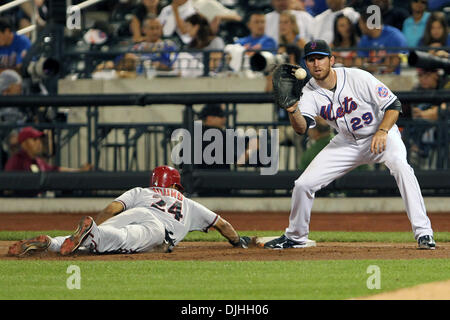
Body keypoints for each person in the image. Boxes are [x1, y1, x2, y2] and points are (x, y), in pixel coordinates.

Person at [265, 39, 435, 250]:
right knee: (303, 185)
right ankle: (296, 236)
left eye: (320, 58)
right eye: (311, 60)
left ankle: (424, 233)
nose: (316, 63)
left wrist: (382, 131)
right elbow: (301, 128)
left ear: (332, 60)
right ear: (306, 64)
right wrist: (292, 109)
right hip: (346, 142)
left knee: (401, 167)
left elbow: (393, 105)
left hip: (381, 134)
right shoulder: (308, 92)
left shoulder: (357, 77)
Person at [8, 165, 251, 256]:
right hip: (158, 228)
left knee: (108, 232)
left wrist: (101, 223)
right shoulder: (187, 202)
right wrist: (237, 241)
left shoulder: (142, 191)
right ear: (176, 185)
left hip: (133, 213)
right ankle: (93, 233)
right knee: (123, 240)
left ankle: (51, 242)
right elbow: (224, 226)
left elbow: (112, 208)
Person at [4, 126, 93, 173]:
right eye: (34, 140)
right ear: (24, 144)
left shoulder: (38, 161)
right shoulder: (16, 160)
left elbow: (56, 170)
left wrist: (79, 171)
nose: (39, 143)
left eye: (40, 140)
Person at [355, 9, 408, 74]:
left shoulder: (395, 36)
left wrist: (370, 65)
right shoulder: (364, 39)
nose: (359, 26)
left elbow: (395, 63)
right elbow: (358, 63)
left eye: (360, 23)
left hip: (393, 79)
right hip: (371, 79)